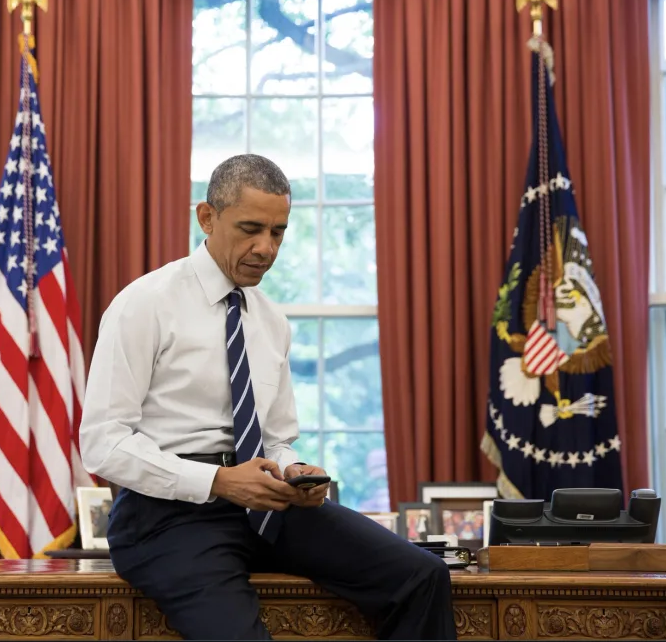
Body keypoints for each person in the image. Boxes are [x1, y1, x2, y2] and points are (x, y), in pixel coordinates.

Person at [79, 154, 456, 640]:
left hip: (264, 505)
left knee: (423, 575)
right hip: (164, 519)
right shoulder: (143, 305)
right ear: (207, 217)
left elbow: (277, 440)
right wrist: (218, 480)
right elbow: (104, 444)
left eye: (278, 232)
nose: (266, 248)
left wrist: (295, 472)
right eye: (251, 228)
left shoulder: (271, 321)